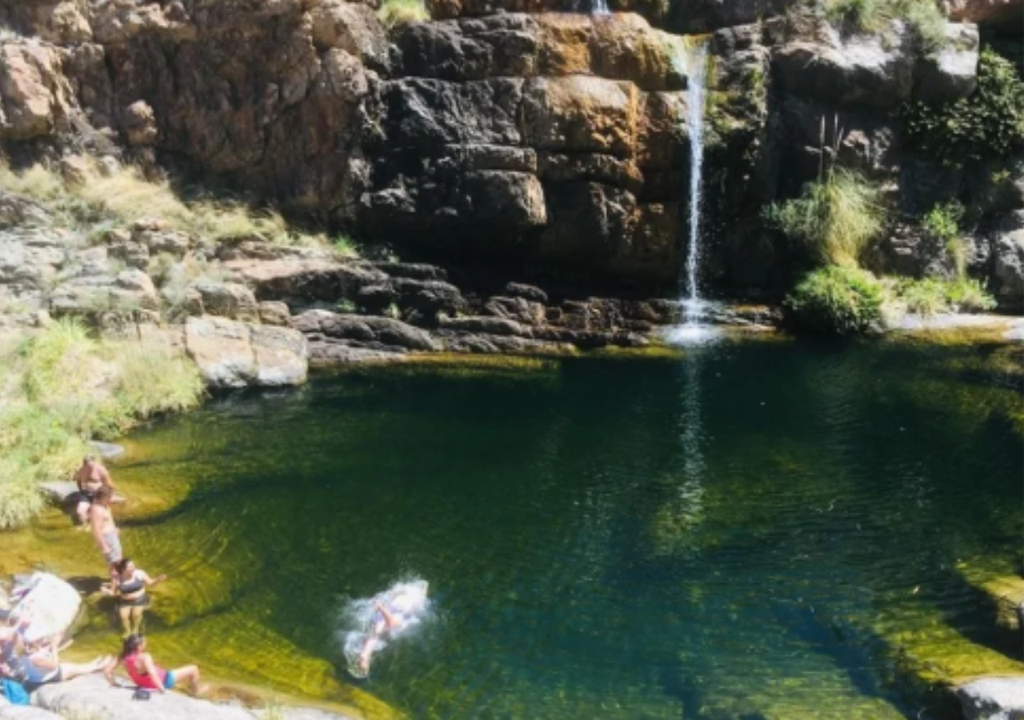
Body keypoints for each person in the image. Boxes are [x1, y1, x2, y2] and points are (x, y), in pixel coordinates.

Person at [103, 635, 206, 696]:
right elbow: (152, 674)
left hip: (142, 684)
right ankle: (195, 691)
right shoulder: (145, 657)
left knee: (172, 673)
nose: (146, 644)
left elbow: (107, 671)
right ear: (139, 646)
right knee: (193, 669)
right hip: (165, 680)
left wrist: (113, 683)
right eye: (144, 643)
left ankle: (185, 686)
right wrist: (162, 689)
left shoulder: (122, 656)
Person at [20, 634, 109, 692]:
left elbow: (41, 653)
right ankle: (98, 666)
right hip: (46, 680)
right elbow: (55, 665)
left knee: (72, 666)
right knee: (70, 668)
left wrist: (49, 647)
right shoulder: (36, 659)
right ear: (33, 642)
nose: (41, 638)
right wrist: (54, 647)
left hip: (37, 677)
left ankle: (93, 664)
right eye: (39, 639)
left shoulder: (25, 652)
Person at [110, 559, 167, 637]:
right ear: (123, 569)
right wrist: (107, 591)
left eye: (133, 565)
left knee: (136, 615)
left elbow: (150, 583)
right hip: (124, 601)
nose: (133, 568)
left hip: (139, 599)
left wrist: (158, 579)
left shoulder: (139, 573)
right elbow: (113, 592)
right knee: (123, 617)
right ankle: (127, 631)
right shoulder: (117, 578)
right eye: (130, 566)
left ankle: (135, 629)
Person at [73, 455, 113, 525]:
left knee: (104, 515)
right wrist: (80, 490)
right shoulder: (81, 470)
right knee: (80, 512)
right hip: (86, 493)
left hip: (99, 493)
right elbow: (78, 480)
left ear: (94, 462)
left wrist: (107, 496)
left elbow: (109, 484)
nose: (87, 465)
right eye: (85, 463)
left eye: (89, 463)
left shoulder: (101, 470)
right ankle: (84, 526)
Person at [89, 487, 121, 573]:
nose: (111, 498)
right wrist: (104, 547)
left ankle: (117, 581)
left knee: (118, 559)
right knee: (114, 562)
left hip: (112, 535)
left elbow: (110, 520)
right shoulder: (96, 509)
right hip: (107, 537)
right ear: (103, 497)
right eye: (110, 496)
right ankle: (115, 584)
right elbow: (96, 530)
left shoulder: (105, 506)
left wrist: (115, 529)